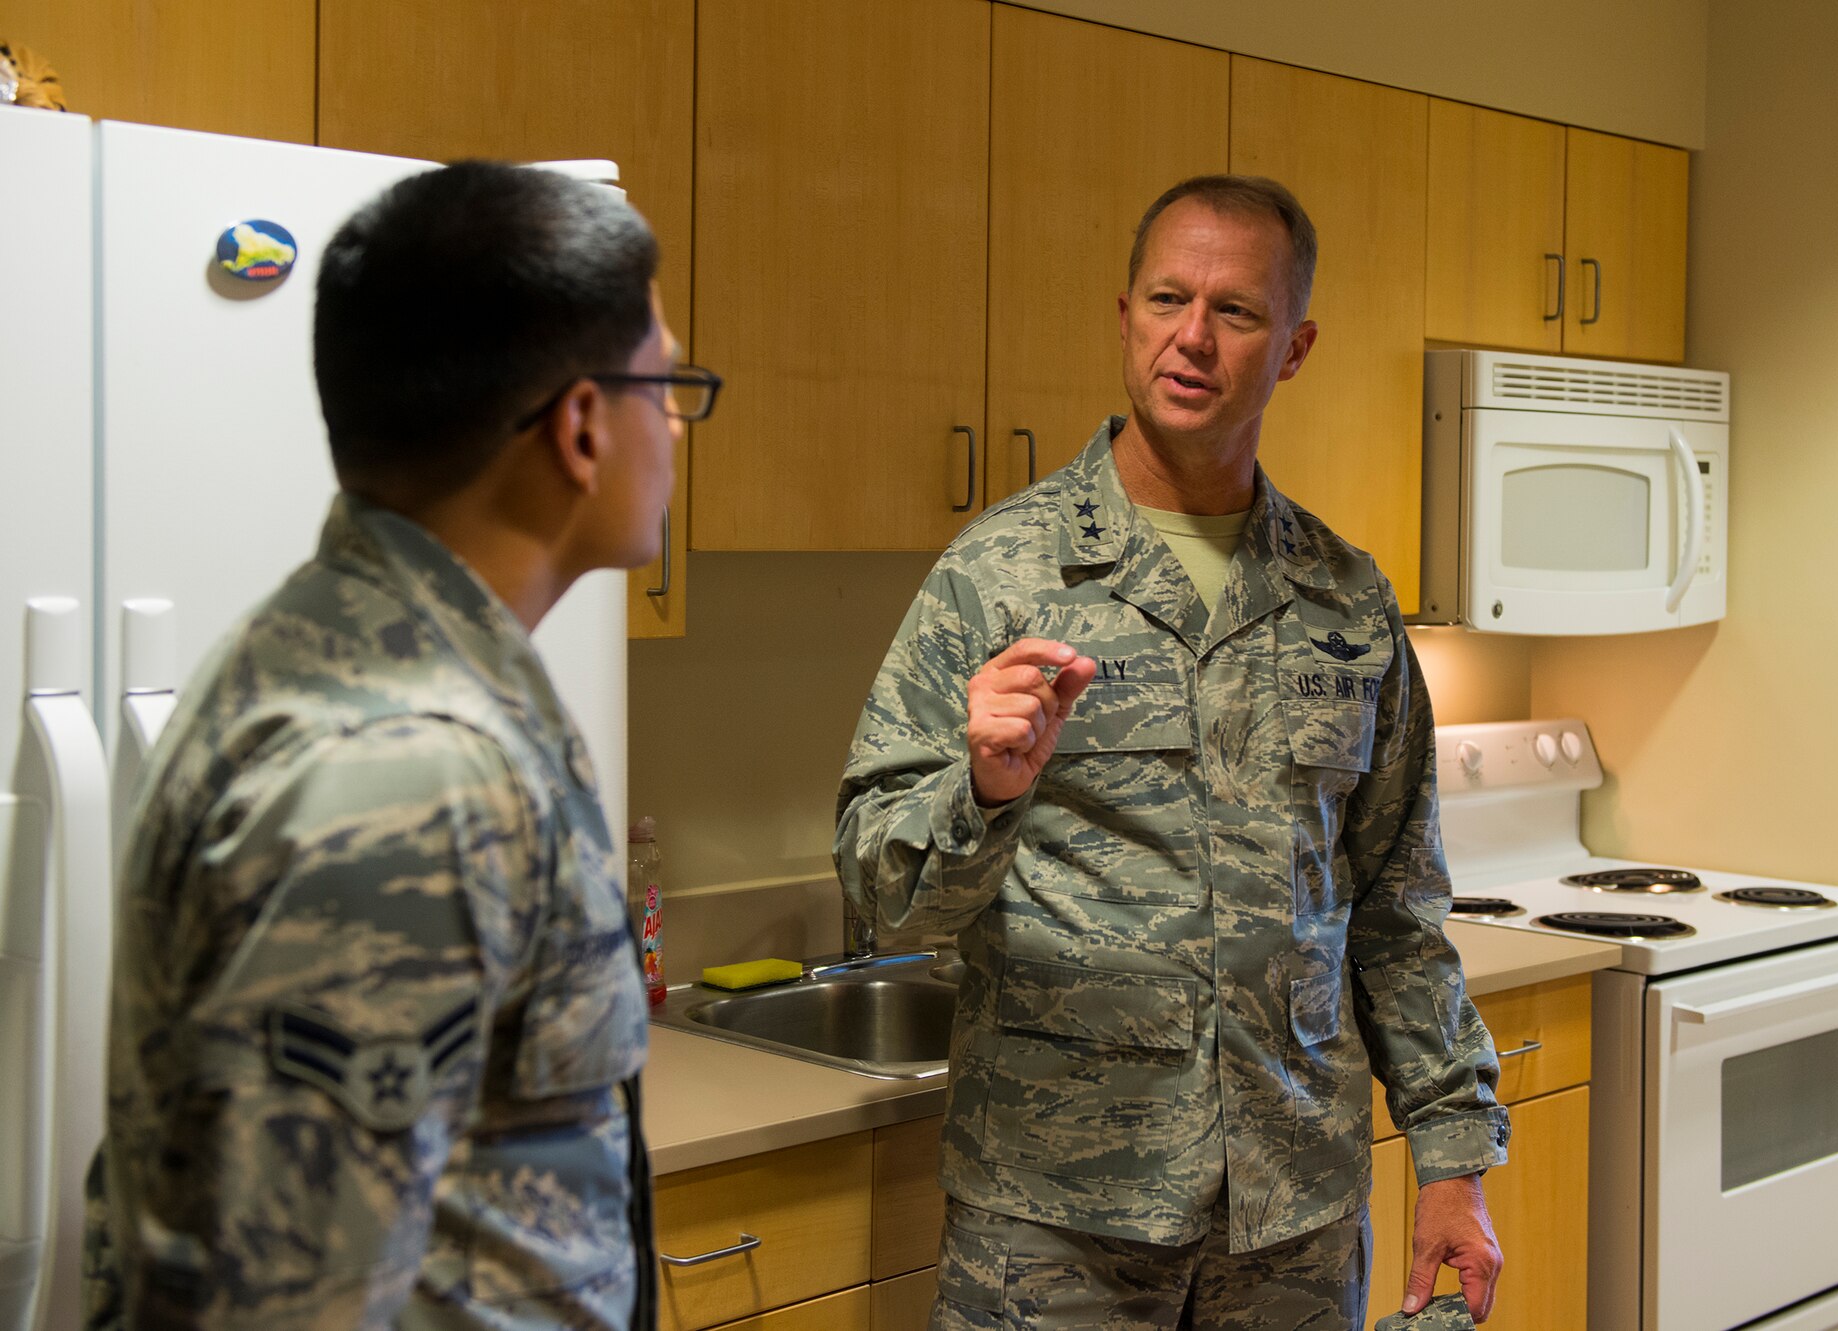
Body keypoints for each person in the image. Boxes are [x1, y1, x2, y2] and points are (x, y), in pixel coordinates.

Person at [835, 175, 1508, 1328]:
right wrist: (980, 789)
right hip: (1054, 1215)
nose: (1190, 337)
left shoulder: (1345, 600)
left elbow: (1396, 908)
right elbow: (881, 888)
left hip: (1290, 1217)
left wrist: (1451, 1157)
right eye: (1166, 299)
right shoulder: (998, 574)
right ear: (1124, 317)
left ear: (1292, 347)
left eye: (1235, 311)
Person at [84, 161, 719, 1329]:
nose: (676, 425)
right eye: (665, 384)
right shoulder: (411, 772)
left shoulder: (339, 642)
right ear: (581, 424)